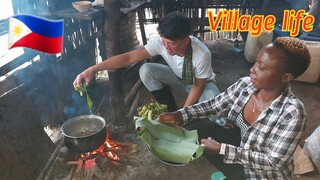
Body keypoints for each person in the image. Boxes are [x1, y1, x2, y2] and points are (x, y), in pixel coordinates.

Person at [159, 37, 311, 179]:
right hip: (241, 144)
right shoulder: (246, 85)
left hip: (261, 173)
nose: (252, 69)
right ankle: (228, 170)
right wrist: (180, 115)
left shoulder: (292, 113)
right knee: (193, 126)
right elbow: (213, 105)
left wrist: (222, 149)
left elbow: (272, 161)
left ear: (286, 77)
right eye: (256, 62)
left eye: (262, 67)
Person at [73, 11, 220, 112]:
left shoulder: (202, 53)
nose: (166, 48)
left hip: (200, 84)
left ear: (185, 40)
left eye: (171, 44)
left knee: (214, 104)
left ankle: (186, 118)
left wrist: (183, 113)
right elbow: (128, 58)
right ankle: (170, 110)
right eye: (164, 42)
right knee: (146, 69)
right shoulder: (161, 43)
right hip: (180, 80)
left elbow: (198, 87)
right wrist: (92, 69)